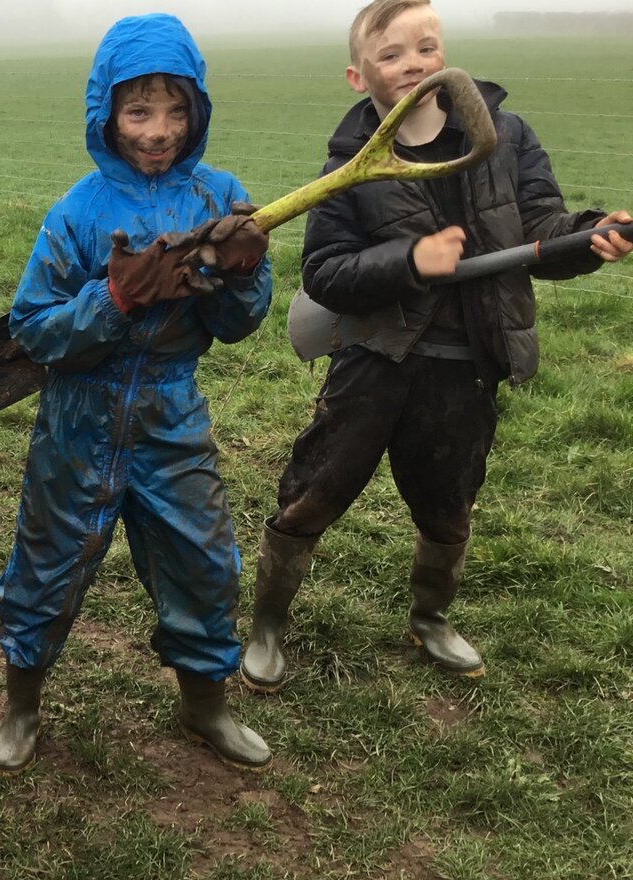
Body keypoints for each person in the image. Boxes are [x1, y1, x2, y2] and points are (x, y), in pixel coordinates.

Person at [241, 0, 633, 693]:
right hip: (374, 360)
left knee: (449, 505)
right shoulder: (350, 166)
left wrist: (589, 234)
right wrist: (409, 260)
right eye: (391, 55)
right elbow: (325, 272)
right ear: (360, 77)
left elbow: (538, 226)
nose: (414, 65)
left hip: (466, 362)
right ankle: (268, 622)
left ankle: (431, 618)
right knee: (314, 494)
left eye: (426, 48)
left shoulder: (506, 137)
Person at [0, 13, 275, 775]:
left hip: (170, 414)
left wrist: (242, 277)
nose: (158, 130)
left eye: (176, 109)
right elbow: (32, 329)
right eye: (138, 110)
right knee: (46, 564)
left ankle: (203, 706)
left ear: (199, 110)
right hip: (78, 415)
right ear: (106, 113)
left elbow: (242, 325)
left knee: (202, 561)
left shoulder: (222, 196)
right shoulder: (77, 212)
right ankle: (22, 703)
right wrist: (112, 300)